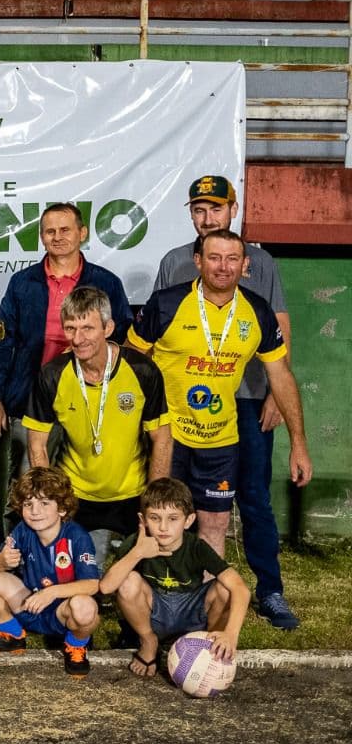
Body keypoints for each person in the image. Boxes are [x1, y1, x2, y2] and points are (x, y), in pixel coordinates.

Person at [154, 175, 300, 631]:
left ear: (232, 210)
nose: (207, 217)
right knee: (168, 497)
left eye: (216, 209)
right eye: (199, 209)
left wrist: (277, 397)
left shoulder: (260, 261)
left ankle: (270, 590)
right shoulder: (176, 261)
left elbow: (278, 329)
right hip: (184, 403)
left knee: (252, 497)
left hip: (248, 396)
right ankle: (173, 592)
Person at [127, 229, 312, 560]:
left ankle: (207, 602)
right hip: (169, 435)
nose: (223, 267)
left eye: (232, 259)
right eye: (214, 257)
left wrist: (298, 444)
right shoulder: (167, 303)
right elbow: (131, 360)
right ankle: (159, 600)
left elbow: (281, 374)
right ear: (198, 261)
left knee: (215, 524)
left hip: (221, 438)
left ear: (245, 265)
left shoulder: (257, 312)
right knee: (161, 519)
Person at [0, 203, 133, 485]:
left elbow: (120, 336)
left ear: (82, 233)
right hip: (30, 399)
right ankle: (18, 531)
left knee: (87, 480)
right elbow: (3, 342)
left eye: (65, 229)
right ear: (41, 237)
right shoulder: (22, 283)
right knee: (28, 484)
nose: (58, 236)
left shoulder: (106, 282)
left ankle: (78, 531)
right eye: (50, 231)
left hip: (89, 398)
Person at [24, 286, 170, 561]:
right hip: (74, 493)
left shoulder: (142, 371)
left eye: (88, 328)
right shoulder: (52, 375)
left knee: (142, 582)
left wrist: (155, 501)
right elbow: (37, 444)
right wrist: (50, 503)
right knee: (68, 580)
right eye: (70, 329)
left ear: (108, 327)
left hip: (132, 492)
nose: (78, 339)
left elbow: (161, 437)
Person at [99, 477, 251, 679]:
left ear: (188, 520)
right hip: (155, 612)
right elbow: (106, 588)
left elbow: (241, 589)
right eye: (154, 518)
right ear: (143, 520)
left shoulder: (196, 547)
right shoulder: (136, 543)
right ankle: (148, 642)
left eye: (172, 519)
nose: (163, 527)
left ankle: (209, 646)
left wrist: (231, 634)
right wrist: (137, 553)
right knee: (128, 581)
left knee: (224, 588)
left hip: (192, 610)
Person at [0, 467, 100, 676]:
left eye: (44, 503)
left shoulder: (77, 536)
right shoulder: (23, 529)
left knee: (85, 608)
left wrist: (51, 592)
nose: (35, 511)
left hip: (64, 612)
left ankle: (75, 644)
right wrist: (1, 561)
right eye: (28, 504)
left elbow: (93, 584)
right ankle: (11, 633)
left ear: (62, 509)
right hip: (29, 604)